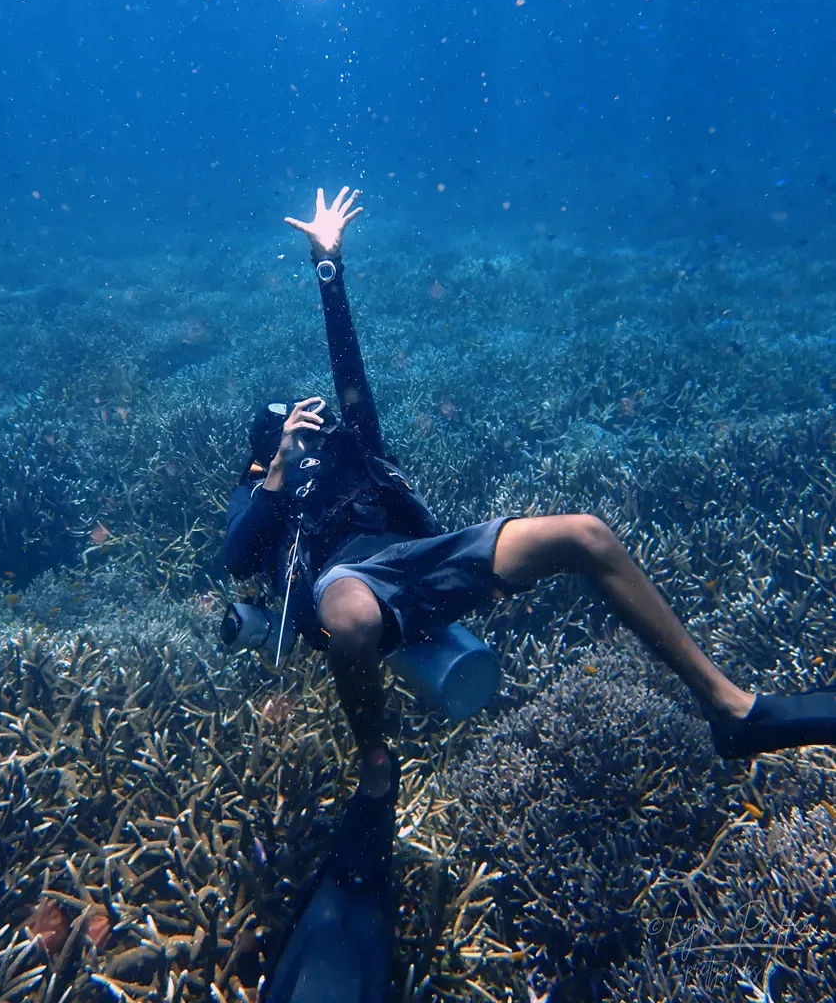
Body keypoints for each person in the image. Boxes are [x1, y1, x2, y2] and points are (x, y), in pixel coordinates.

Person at [223, 186, 836, 799]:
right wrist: (277, 474)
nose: (313, 430)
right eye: (288, 429)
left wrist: (328, 266)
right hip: (344, 585)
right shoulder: (262, 492)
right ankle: (376, 763)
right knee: (353, 614)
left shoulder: (356, 443)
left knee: (586, 534)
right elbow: (240, 561)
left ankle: (732, 711)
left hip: (425, 564)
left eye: (314, 420)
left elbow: (348, 366)